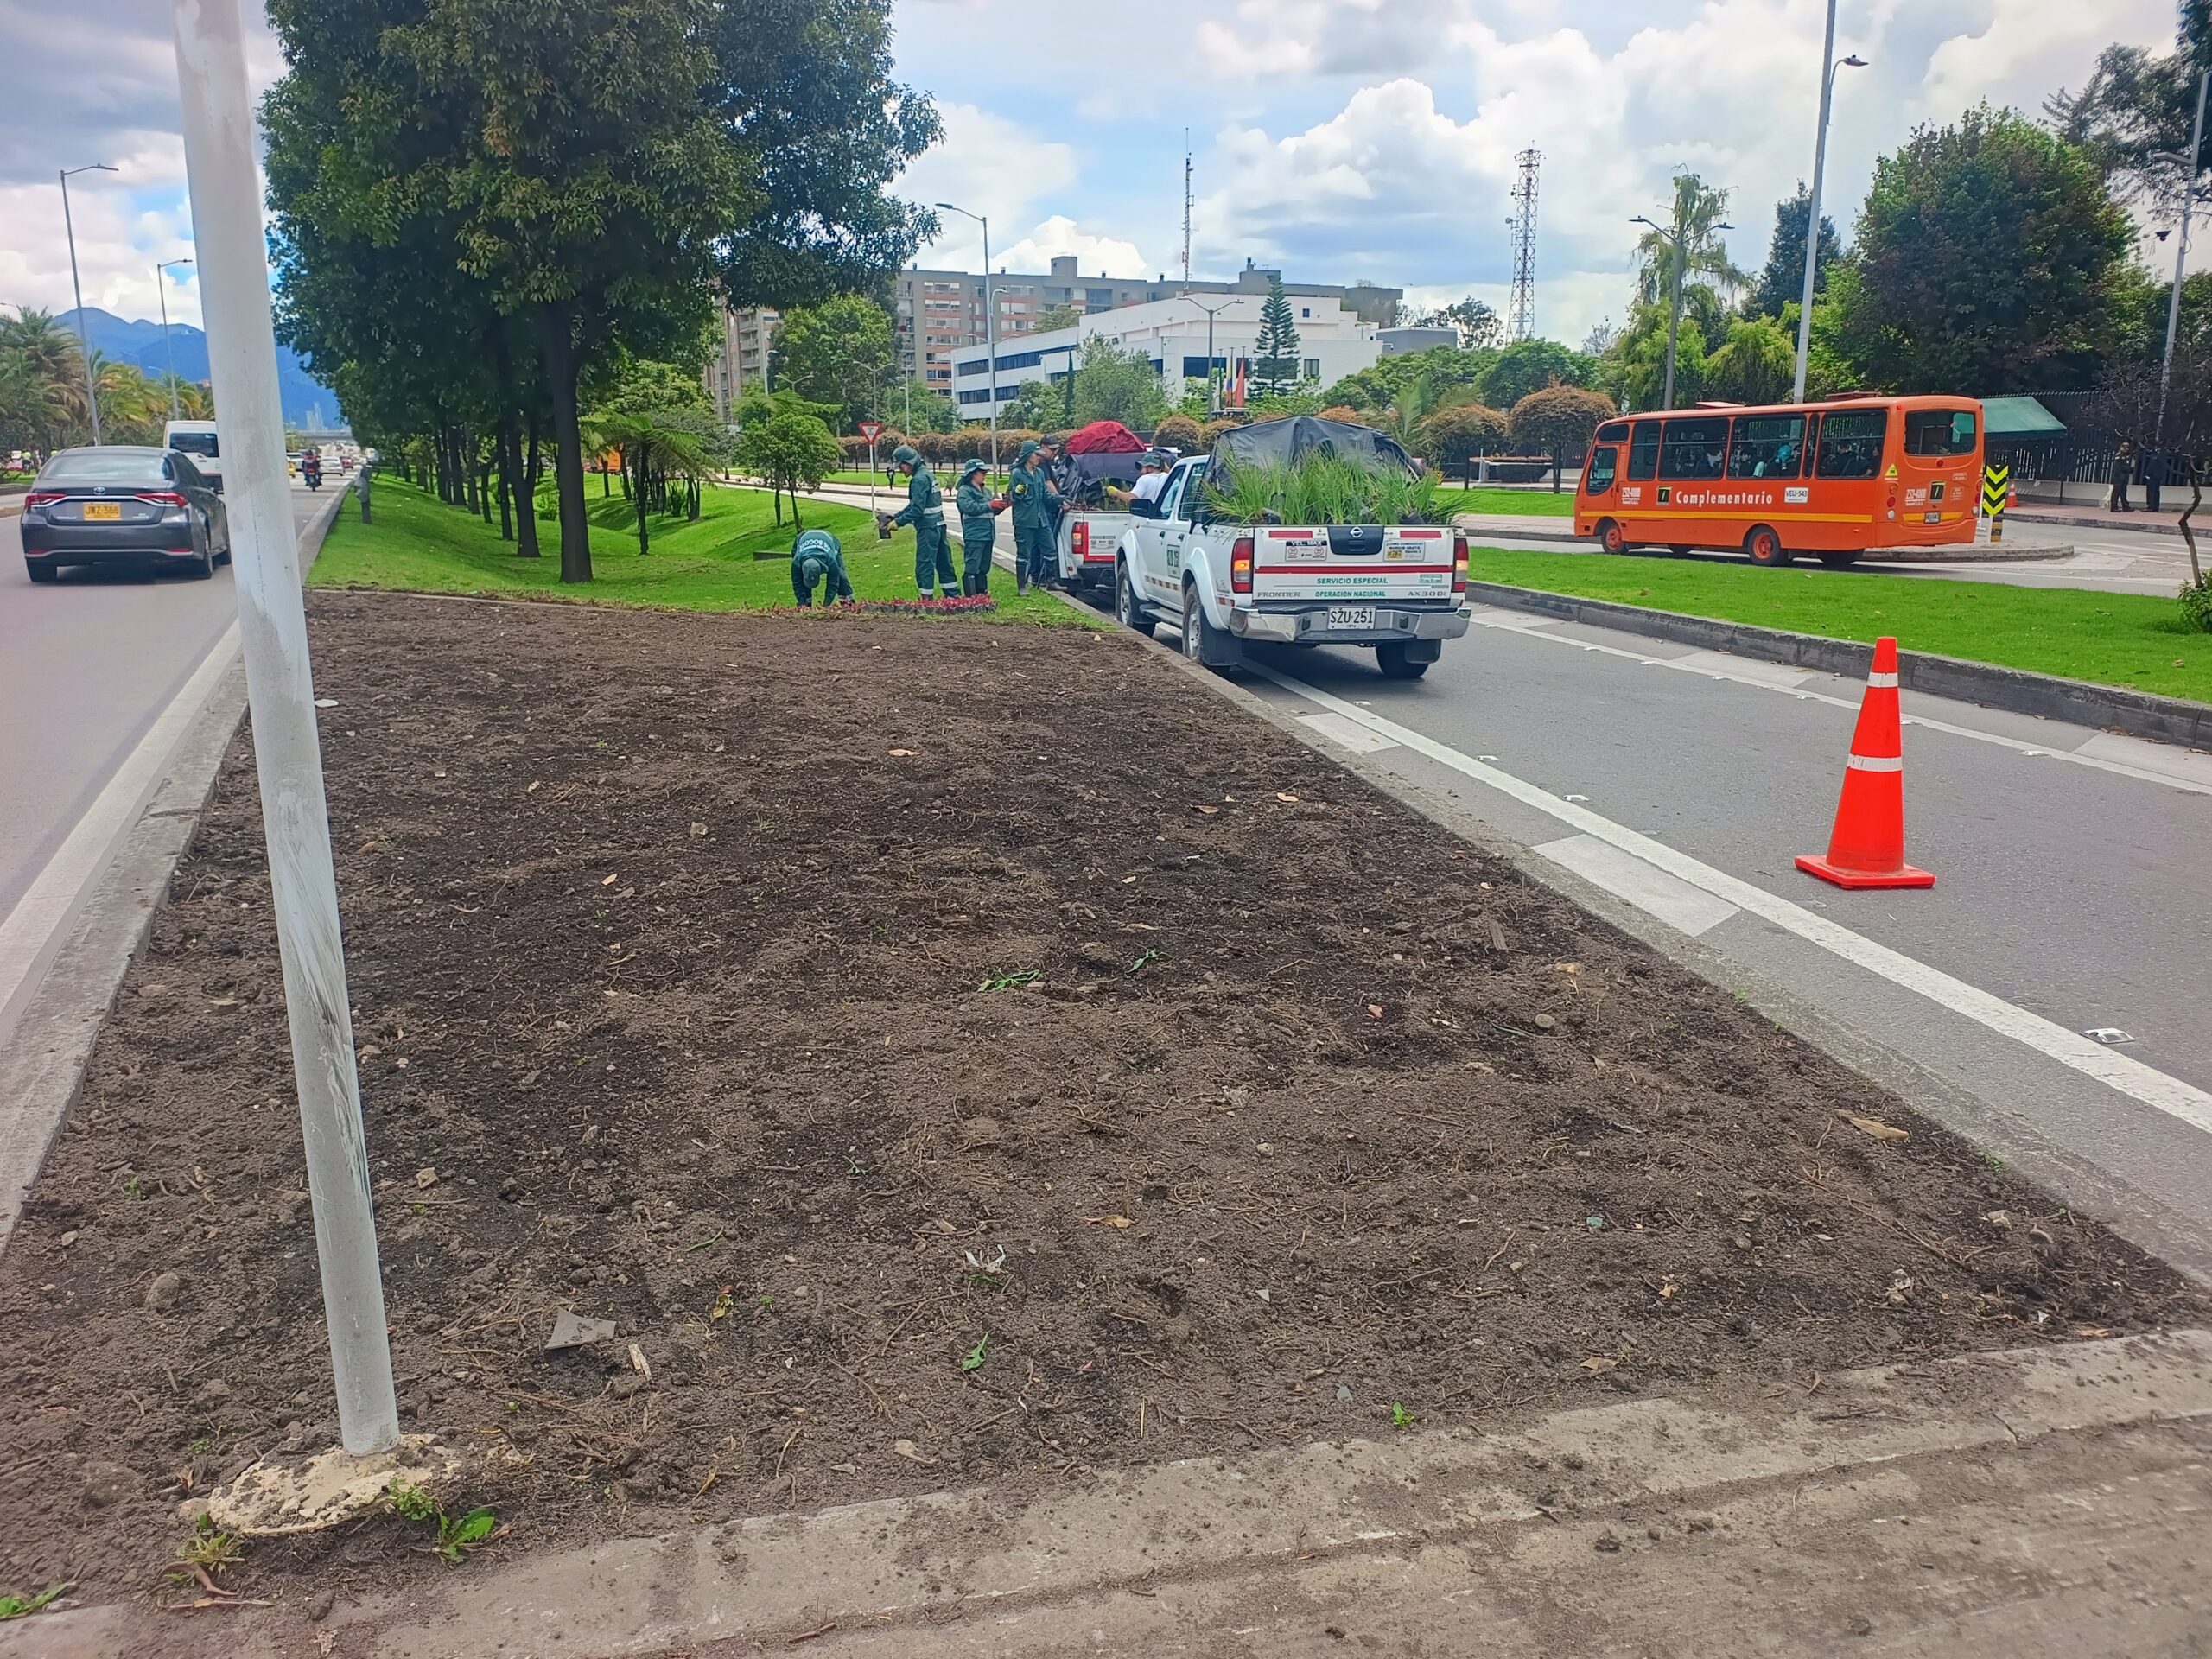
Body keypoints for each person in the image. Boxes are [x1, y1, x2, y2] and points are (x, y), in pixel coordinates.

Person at [880, 444, 957, 597]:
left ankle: (926, 600)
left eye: (901, 465)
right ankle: (954, 598)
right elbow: (916, 504)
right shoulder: (928, 474)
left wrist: (898, 523)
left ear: (908, 463)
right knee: (944, 564)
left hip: (927, 529)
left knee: (925, 565)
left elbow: (917, 510)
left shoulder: (918, 480)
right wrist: (896, 516)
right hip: (939, 526)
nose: (900, 470)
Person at [1006, 438, 1063, 594]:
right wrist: (1017, 492)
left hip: (1041, 519)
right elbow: (1011, 497)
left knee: (1050, 549)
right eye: (1036, 454)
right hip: (1024, 520)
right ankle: (1022, 586)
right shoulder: (1017, 474)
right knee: (1024, 553)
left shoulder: (1039, 473)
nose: (1039, 457)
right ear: (1028, 455)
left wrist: (1060, 499)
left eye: (1039, 454)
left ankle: (1051, 581)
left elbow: (1045, 496)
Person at [954, 457, 1001, 596]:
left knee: (984, 566)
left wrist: (1001, 506)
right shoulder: (965, 491)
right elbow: (969, 507)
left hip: (988, 533)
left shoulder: (986, 491)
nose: (984, 474)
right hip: (974, 533)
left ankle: (982, 593)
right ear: (973, 473)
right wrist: (989, 505)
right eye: (981, 472)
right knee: (972, 565)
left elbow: (990, 511)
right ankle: (971, 597)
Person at [790, 526, 854, 607]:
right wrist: (802, 603)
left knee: (841, 576)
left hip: (829, 539)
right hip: (803, 537)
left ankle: (848, 602)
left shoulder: (830, 560)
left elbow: (833, 584)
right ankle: (806, 603)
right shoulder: (797, 562)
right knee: (803, 576)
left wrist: (826, 605)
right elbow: (797, 584)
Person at [1106, 450, 1172, 511]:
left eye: (1142, 467)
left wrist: (1116, 492)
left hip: (1146, 516)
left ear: (1151, 467)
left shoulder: (1145, 479)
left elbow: (1131, 498)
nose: (1141, 471)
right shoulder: (1170, 478)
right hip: (1166, 517)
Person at [2109, 441, 2135, 512]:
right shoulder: (2119, 456)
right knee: (2116, 492)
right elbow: (2118, 468)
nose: (2127, 449)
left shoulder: (2124, 455)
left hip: (2123, 477)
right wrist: (2128, 469)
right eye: (2125, 448)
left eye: (2128, 448)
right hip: (2118, 477)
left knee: (2123, 492)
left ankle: (2125, 506)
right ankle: (2114, 507)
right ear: (2121, 447)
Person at [2141, 448, 2166, 514]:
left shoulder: (2154, 456)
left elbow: (2151, 466)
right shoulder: (2162, 456)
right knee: (2156, 492)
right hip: (2158, 477)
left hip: (2152, 477)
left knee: (2151, 492)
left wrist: (2146, 474)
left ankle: (2151, 506)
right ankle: (2155, 507)